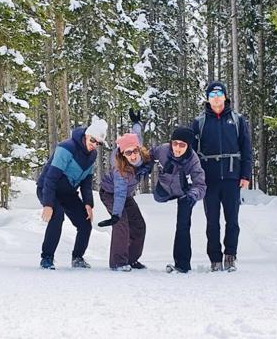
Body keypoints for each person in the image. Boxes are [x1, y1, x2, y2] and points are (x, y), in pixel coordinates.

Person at [132, 111, 207, 274]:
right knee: (159, 192)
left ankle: (182, 264)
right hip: (164, 190)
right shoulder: (163, 150)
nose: (177, 148)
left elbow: (201, 185)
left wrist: (193, 195)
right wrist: (144, 167)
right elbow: (146, 155)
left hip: (183, 193)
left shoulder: (193, 160)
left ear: (188, 146)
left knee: (183, 224)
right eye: (175, 143)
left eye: (182, 145)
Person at [189, 81, 252, 272]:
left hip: (232, 177)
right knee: (212, 221)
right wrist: (194, 177)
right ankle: (215, 258)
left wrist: (245, 175)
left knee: (232, 220)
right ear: (208, 99)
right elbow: (191, 152)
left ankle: (230, 256)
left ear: (225, 96)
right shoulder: (199, 122)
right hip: (209, 179)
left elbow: (246, 148)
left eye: (219, 94)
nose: (216, 98)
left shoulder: (237, 119)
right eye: (212, 95)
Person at [36, 118, 107, 270]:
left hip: (68, 193)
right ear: (86, 135)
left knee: (85, 223)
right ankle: (47, 258)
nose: (94, 145)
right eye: (92, 140)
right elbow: (51, 177)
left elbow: (86, 182)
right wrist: (48, 204)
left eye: (98, 143)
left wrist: (88, 204)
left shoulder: (91, 155)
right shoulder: (66, 148)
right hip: (48, 189)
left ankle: (77, 258)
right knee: (57, 216)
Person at [97, 126, 154, 271]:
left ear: (139, 148)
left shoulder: (141, 153)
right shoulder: (120, 170)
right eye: (128, 153)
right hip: (110, 194)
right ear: (123, 154)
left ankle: (131, 259)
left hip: (126, 195)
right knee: (121, 223)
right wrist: (116, 214)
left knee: (139, 225)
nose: (133, 156)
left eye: (135, 151)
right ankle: (118, 262)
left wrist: (136, 123)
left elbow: (137, 135)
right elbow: (120, 193)